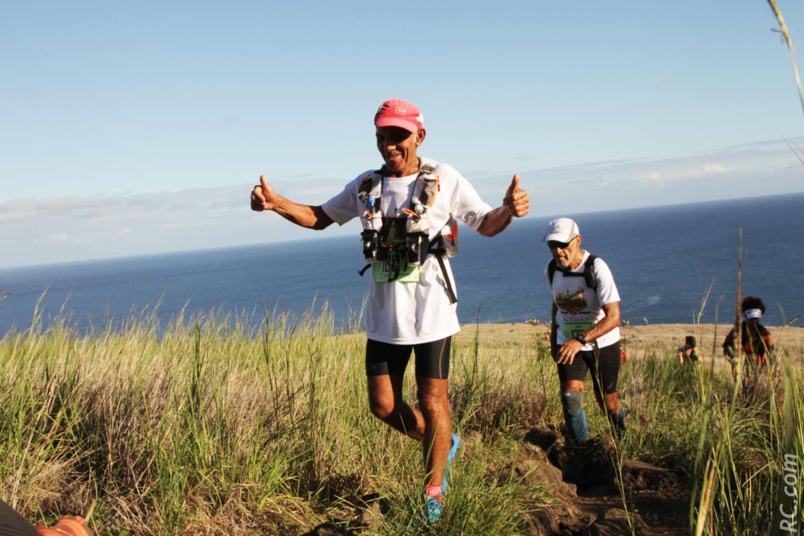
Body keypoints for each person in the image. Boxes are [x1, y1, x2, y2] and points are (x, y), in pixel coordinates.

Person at [250, 99, 530, 523]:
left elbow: (485, 223)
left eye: (398, 135)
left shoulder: (444, 177)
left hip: (432, 313)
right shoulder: (366, 185)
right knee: (382, 406)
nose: (389, 144)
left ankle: (432, 495)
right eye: (382, 136)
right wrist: (276, 203)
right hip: (384, 317)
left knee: (433, 400)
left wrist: (508, 209)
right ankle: (443, 443)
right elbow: (320, 217)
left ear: (420, 136)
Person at [542, 218, 625, 445]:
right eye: (552, 245)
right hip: (568, 342)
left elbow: (614, 317)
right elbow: (556, 305)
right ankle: (583, 450)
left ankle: (623, 441)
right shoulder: (551, 270)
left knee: (608, 403)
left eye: (563, 244)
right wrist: (554, 342)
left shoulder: (596, 267)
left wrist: (580, 339)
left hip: (602, 344)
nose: (558, 251)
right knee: (570, 395)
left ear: (578, 240)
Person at [722, 296, 774, 381]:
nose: (753, 322)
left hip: (760, 373)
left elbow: (771, 355)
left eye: (756, 319)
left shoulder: (765, 334)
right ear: (746, 317)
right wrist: (735, 359)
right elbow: (727, 348)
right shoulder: (737, 331)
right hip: (741, 371)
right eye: (751, 319)